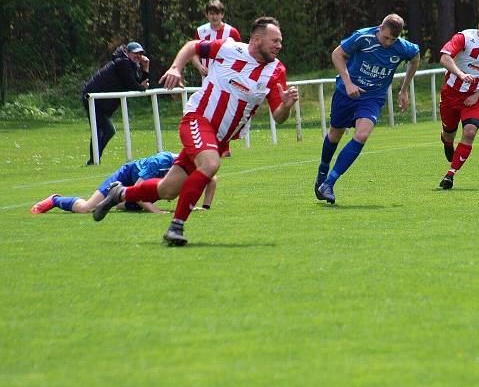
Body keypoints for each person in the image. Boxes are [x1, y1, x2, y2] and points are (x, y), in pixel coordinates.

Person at [92, 17, 299, 247]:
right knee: (210, 165)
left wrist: (286, 106)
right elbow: (193, 46)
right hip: (197, 120)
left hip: (218, 140)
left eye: (280, 41)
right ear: (257, 39)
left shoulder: (276, 70)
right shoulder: (230, 48)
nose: (279, 45)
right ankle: (176, 227)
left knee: (167, 190)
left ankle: (120, 194)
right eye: (275, 40)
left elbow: (278, 116)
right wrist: (176, 68)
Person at [314, 14, 420, 204]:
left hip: (372, 98)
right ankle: (322, 172)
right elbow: (337, 54)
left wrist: (404, 90)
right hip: (346, 93)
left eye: (393, 39)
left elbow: (415, 59)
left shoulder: (404, 48)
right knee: (334, 135)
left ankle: (329, 183)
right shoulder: (363, 38)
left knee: (362, 135)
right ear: (380, 28)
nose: (388, 43)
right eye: (386, 37)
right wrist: (348, 83)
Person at [437, 2, 479, 190]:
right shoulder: (465, 38)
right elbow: (444, 57)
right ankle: (447, 141)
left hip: (475, 98)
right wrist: (460, 74)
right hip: (451, 95)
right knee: (449, 133)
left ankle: (450, 175)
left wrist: (477, 95)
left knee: (469, 132)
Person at [30, 151, 216, 214]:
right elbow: (139, 190)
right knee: (88, 208)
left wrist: (204, 207)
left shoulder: (194, 163)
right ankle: (55, 200)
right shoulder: (159, 162)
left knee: (123, 207)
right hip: (125, 178)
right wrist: (156, 211)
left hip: (136, 190)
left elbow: (212, 180)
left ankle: (121, 202)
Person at [82, 42, 150, 164]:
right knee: (102, 130)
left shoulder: (128, 64)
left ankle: (93, 160)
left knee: (108, 130)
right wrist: (141, 87)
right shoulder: (123, 63)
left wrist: (145, 68)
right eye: (135, 53)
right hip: (93, 98)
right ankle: (93, 161)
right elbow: (134, 85)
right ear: (127, 52)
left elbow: (139, 83)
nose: (138, 56)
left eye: (140, 54)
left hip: (100, 101)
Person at [191, 0, 242, 157]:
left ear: (222, 14)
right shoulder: (201, 31)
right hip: (207, 78)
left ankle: (224, 147)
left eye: (217, 13)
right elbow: (193, 51)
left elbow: (240, 54)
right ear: (206, 14)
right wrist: (199, 66)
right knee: (208, 112)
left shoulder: (231, 32)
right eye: (211, 13)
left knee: (224, 111)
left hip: (226, 78)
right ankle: (212, 145)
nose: (214, 17)